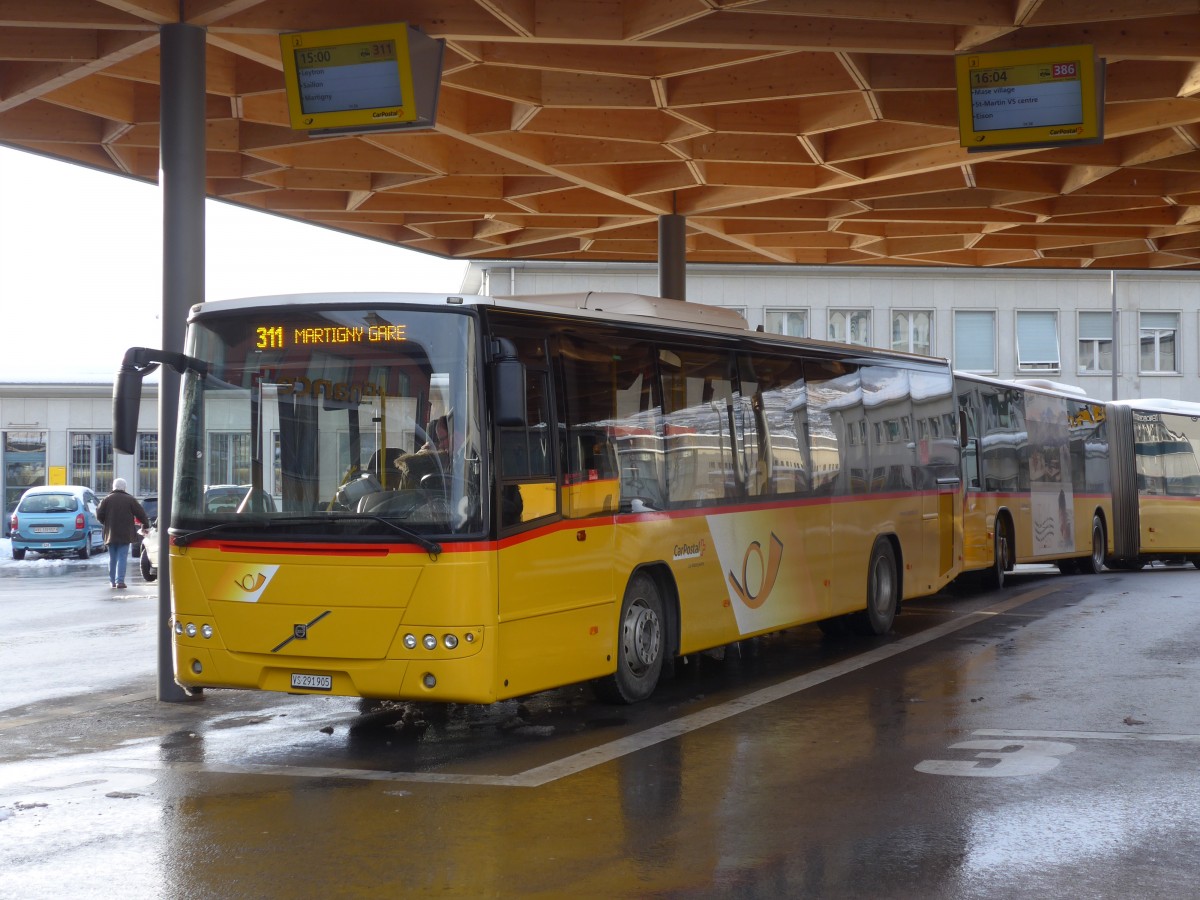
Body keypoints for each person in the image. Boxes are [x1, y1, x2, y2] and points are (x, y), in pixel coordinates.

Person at [97, 477, 148, 589]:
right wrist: (145, 525)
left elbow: (99, 514)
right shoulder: (130, 499)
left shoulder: (106, 499)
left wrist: (105, 522)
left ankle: (112, 582)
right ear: (124, 488)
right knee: (122, 557)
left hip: (110, 533)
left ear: (113, 487)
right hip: (125, 533)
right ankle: (120, 581)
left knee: (112, 558)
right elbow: (141, 513)